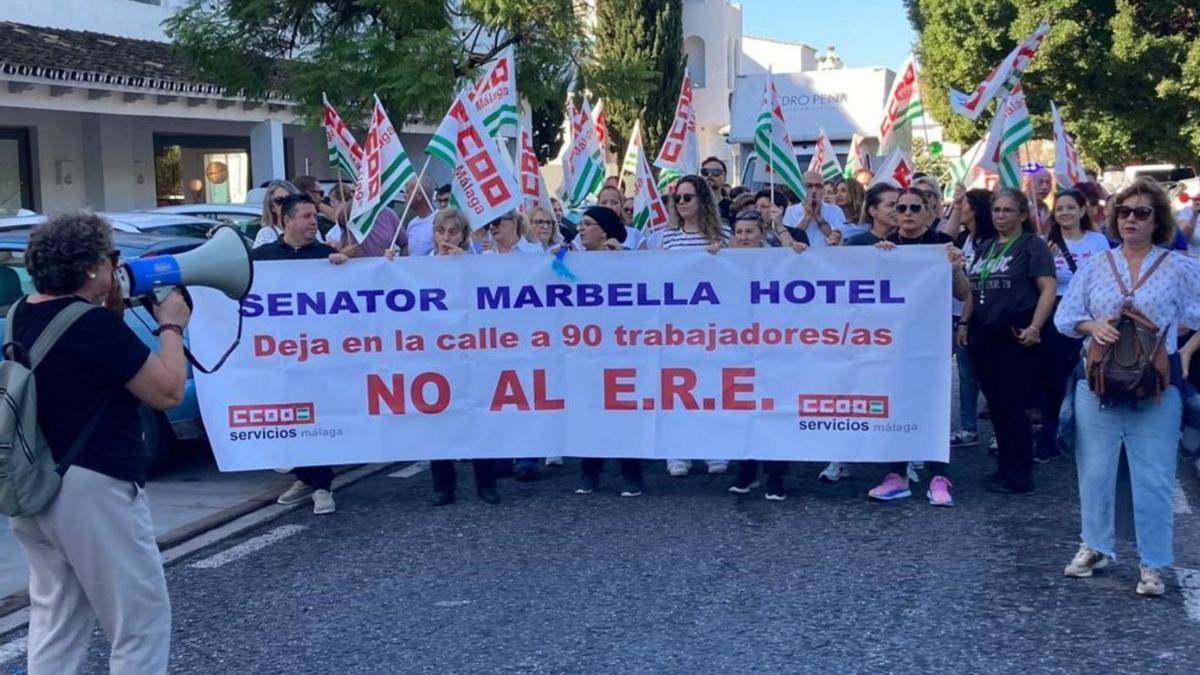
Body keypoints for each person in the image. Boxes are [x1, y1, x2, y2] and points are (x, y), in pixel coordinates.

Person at [10, 212, 190, 673]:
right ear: (91, 268)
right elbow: (167, 391)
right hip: (94, 488)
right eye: (110, 259)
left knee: (58, 618)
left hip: (32, 487)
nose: (115, 270)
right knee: (140, 620)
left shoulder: (17, 316)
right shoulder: (94, 327)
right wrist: (171, 326)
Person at [1055, 178, 1200, 597]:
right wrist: (1091, 325)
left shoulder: (1178, 267)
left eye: (1142, 212)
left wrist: (1185, 349)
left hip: (1155, 386)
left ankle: (1153, 563)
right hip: (1098, 383)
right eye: (1124, 211)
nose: (1131, 219)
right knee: (1095, 472)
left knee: (1153, 476)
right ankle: (1096, 546)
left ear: (1158, 220)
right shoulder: (1098, 264)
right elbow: (1065, 318)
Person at [865, 188, 970, 506]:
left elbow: (964, 294)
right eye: (901, 207)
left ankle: (939, 477)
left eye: (915, 207)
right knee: (895, 404)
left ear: (929, 212)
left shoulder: (941, 246)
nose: (907, 213)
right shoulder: (884, 247)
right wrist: (876, 261)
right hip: (892, 340)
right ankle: (896, 475)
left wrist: (953, 268)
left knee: (932, 406)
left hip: (930, 342)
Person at [253, 194, 348, 514]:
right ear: (286, 220)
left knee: (316, 419)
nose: (313, 222)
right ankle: (305, 477)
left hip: (318, 355)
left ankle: (322, 486)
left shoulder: (325, 255)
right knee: (289, 421)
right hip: (277, 355)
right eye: (306, 216)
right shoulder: (261, 257)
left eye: (313, 216)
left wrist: (342, 266)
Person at [957, 188, 1057, 494]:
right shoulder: (986, 247)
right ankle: (1004, 468)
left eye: (1008, 211)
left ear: (1023, 215)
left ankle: (1020, 473)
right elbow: (974, 290)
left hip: (1017, 335)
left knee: (1014, 406)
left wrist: (1036, 327)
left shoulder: (1031, 246)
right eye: (997, 210)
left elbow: (1048, 289)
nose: (1001, 216)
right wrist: (964, 322)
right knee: (997, 406)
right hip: (984, 335)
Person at [418, 208, 502, 505]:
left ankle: (486, 483)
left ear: (464, 236)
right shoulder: (418, 268)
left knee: (477, 415)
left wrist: (464, 267)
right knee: (436, 418)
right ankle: (443, 486)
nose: (446, 238)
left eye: (453, 232)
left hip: (471, 353)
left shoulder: (476, 265)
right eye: (441, 232)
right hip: (434, 355)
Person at [723, 209, 808, 501]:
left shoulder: (779, 259)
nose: (743, 237)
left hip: (776, 347)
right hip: (738, 347)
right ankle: (746, 471)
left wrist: (787, 239)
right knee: (743, 411)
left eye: (750, 231)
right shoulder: (724, 261)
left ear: (762, 234)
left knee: (774, 410)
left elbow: (798, 264)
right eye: (739, 232)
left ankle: (775, 475)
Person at [658, 175, 731, 476]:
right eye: (677, 198)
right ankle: (678, 451)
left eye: (687, 197)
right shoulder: (668, 237)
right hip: (677, 326)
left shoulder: (724, 234)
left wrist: (724, 255)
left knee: (712, 388)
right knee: (678, 390)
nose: (681, 203)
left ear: (703, 200)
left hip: (714, 326)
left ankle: (713, 448)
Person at [1035, 190, 1112, 462]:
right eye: (1060, 209)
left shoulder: (1098, 241)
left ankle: (1089, 436)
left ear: (1082, 211)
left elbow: (1109, 278)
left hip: (1091, 315)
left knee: (1089, 374)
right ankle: (1051, 435)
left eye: (1070, 207)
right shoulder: (1045, 243)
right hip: (1055, 314)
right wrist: (1044, 257)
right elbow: (1038, 284)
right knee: (1053, 379)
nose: (1065, 213)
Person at [944, 188, 998, 448]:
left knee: (989, 375)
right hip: (954, 314)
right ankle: (968, 428)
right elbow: (944, 236)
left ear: (975, 208)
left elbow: (979, 286)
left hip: (980, 318)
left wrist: (965, 321)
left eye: (962, 204)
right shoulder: (962, 238)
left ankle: (1001, 429)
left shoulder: (993, 242)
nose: (958, 207)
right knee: (965, 376)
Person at [782, 171, 858, 245]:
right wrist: (806, 218)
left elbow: (837, 240)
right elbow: (790, 241)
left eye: (818, 186)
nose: (814, 190)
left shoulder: (835, 210)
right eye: (809, 186)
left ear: (823, 189)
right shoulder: (790, 211)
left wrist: (819, 217)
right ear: (802, 187)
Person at [252, 179, 301, 247]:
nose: (284, 204)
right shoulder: (265, 234)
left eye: (289, 199)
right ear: (272, 207)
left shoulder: (309, 229)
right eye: (279, 200)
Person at [597, 184, 643, 250]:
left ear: (621, 206)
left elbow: (645, 260)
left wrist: (621, 252)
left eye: (614, 203)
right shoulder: (583, 236)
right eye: (604, 202)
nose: (609, 206)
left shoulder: (635, 235)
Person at [404, 175, 438, 257]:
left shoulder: (440, 221)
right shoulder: (412, 224)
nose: (404, 196)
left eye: (408, 192)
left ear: (419, 195)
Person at [701, 156, 732, 223]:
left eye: (716, 172)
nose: (710, 175)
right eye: (705, 172)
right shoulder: (693, 206)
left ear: (724, 178)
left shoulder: (732, 208)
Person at [1026, 167, 1054, 236]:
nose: (1045, 187)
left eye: (1048, 183)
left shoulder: (1048, 210)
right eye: (1040, 182)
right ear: (1029, 184)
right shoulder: (1022, 208)